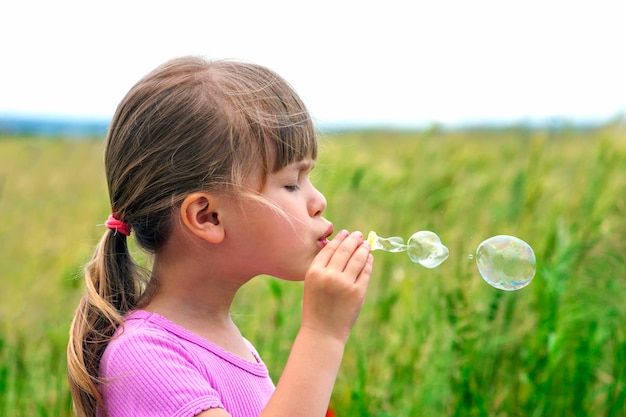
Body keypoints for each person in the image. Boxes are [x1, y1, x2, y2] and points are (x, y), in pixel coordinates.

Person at [67, 56, 374, 417]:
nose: (318, 201)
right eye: (291, 184)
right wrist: (323, 334)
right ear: (207, 217)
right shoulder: (143, 357)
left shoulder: (226, 342)